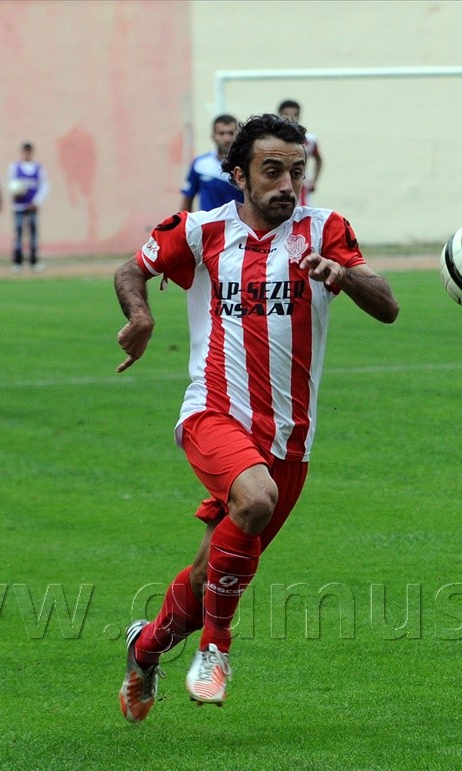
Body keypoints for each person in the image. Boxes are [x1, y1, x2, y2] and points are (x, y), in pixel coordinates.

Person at [115, 113, 399, 722]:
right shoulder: (200, 232)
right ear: (239, 174)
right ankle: (216, 651)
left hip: (290, 438)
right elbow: (130, 269)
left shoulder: (326, 230)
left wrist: (343, 276)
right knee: (253, 500)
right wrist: (140, 315)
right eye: (272, 171)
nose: (286, 185)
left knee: (205, 577)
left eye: (295, 171)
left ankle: (145, 648)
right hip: (213, 414)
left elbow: (389, 306)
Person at [179, 113, 243, 212]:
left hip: (239, 226)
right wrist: (184, 226)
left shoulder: (245, 165)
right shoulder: (200, 165)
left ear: (238, 136)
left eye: (231, 133)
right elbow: (187, 199)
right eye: (221, 133)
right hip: (209, 226)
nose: (226, 138)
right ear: (213, 136)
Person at [9, 142, 49, 272]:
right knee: (19, 232)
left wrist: (36, 201)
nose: (27, 153)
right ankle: (17, 262)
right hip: (19, 206)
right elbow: (11, 184)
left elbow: (45, 186)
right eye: (25, 151)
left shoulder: (38, 167)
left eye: (29, 151)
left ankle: (33, 261)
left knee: (33, 234)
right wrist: (16, 191)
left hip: (32, 207)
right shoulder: (15, 167)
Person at [277, 100, 322, 205]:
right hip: (278, 187)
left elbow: (319, 160)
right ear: (279, 115)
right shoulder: (273, 142)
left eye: (295, 114)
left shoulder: (309, 141)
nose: (291, 118)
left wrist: (314, 181)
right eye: (286, 114)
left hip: (301, 190)